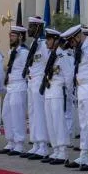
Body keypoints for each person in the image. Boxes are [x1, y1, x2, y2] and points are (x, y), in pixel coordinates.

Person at [61, 25, 88, 170]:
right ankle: (84, 154)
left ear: (78, 37)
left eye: (72, 41)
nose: (71, 45)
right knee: (84, 124)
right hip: (81, 88)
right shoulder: (79, 49)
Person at [37, 29, 74, 164]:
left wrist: (69, 93)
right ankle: (56, 150)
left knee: (59, 121)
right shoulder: (50, 56)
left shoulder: (63, 56)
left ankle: (63, 151)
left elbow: (69, 77)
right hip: (49, 90)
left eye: (49, 39)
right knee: (50, 121)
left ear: (56, 40)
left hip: (58, 91)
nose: (46, 42)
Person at [21, 17, 51, 159]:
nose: (29, 29)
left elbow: (47, 65)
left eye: (31, 27)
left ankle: (43, 145)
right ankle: (36, 143)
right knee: (32, 114)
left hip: (39, 82)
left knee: (40, 114)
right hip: (31, 81)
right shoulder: (34, 44)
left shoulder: (44, 45)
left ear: (39, 28)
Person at [0, 25, 31, 155]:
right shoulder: (11, 51)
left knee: (18, 115)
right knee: (6, 114)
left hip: (19, 85)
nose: (10, 38)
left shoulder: (24, 53)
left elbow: (29, 70)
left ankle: (19, 143)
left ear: (20, 37)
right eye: (10, 35)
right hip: (11, 86)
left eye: (13, 35)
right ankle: (10, 140)